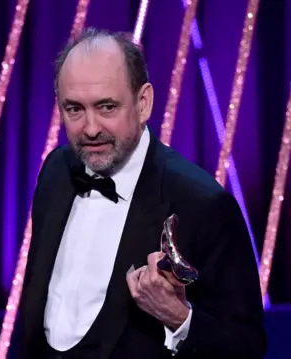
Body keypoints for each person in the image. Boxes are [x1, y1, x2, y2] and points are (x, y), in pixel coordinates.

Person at [19, 28, 266, 359]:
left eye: (107, 107)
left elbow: (245, 346)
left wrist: (179, 319)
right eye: (74, 109)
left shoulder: (203, 204)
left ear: (144, 102)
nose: (90, 129)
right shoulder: (56, 172)